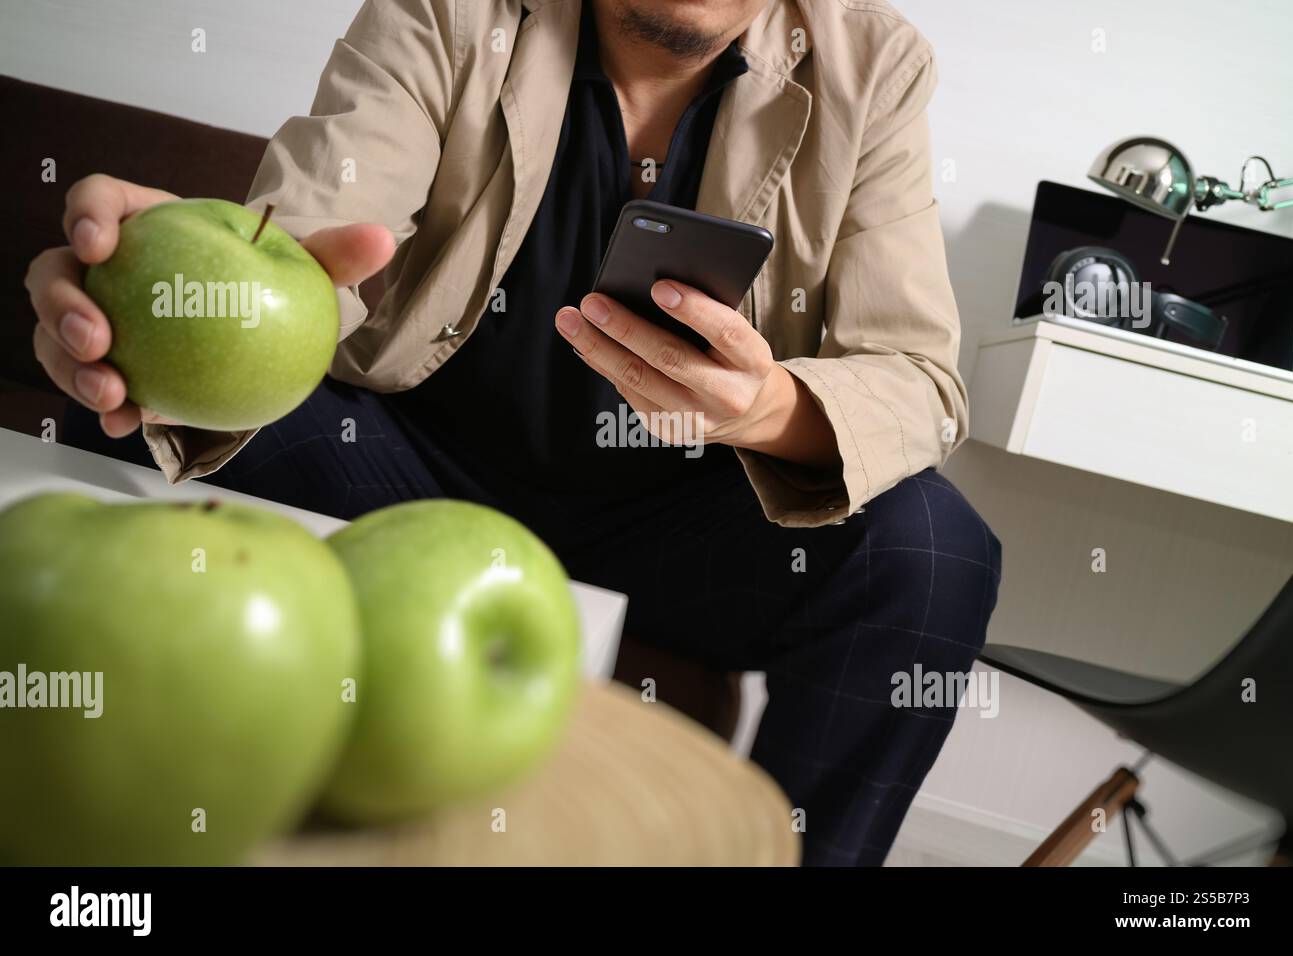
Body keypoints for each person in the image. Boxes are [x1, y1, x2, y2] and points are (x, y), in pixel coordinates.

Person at [25, 0, 1001, 865]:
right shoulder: (449, 10)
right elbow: (324, 229)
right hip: (404, 476)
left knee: (932, 549)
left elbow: (916, 375)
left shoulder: (873, 61)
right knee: (143, 397)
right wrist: (180, 306)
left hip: (681, 524)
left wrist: (761, 405)